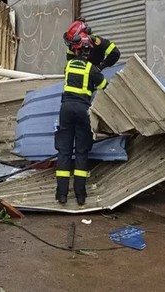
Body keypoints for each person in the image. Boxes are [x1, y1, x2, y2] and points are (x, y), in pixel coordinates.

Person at [55, 25, 107, 206]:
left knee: (64, 151)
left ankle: (61, 195)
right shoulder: (92, 70)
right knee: (82, 152)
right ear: (89, 51)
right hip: (83, 110)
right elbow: (104, 86)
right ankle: (80, 196)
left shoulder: (68, 66)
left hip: (66, 109)